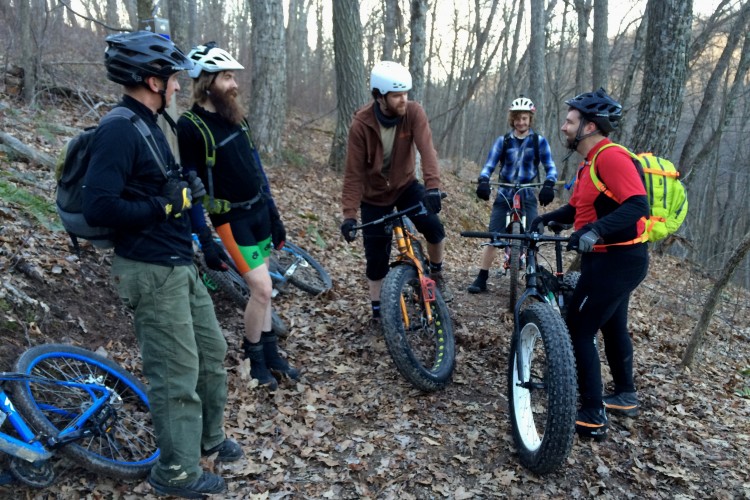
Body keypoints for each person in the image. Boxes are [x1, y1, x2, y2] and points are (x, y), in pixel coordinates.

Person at [83, 31, 242, 498]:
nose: (178, 86)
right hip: (150, 270)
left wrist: (206, 240)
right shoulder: (118, 129)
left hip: (181, 261)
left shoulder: (158, 123)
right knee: (175, 374)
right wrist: (161, 208)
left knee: (210, 355)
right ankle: (175, 472)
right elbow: (99, 208)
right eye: (172, 78)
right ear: (153, 80)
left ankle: (208, 438)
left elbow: (178, 187)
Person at [177, 42, 298, 390]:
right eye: (227, 77)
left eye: (232, 77)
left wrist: (274, 215)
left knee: (266, 288)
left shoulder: (235, 117)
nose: (234, 85)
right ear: (206, 81)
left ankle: (270, 354)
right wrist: (205, 240)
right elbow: (191, 185)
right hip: (230, 220)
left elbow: (256, 167)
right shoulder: (191, 126)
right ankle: (253, 356)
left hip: (258, 211)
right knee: (261, 289)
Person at [530, 88, 650, 440]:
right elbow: (582, 208)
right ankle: (625, 394)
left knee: (578, 329)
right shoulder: (590, 164)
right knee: (612, 326)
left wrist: (595, 231)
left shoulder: (610, 158)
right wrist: (549, 218)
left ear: (589, 125)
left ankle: (591, 413)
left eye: (569, 121)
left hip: (616, 261)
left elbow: (637, 205)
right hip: (612, 260)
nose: (563, 127)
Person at [340, 60, 452, 326]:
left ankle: (436, 275)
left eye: (406, 94)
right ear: (379, 96)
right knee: (376, 255)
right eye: (397, 95)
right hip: (374, 196)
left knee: (434, 229)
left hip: (405, 187)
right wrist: (349, 215)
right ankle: (378, 311)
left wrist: (433, 187)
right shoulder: (361, 124)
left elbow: (427, 150)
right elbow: (353, 173)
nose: (404, 100)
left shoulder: (414, 113)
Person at [467, 96, 558, 294]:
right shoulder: (504, 141)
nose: (521, 122)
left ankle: (532, 277)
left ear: (530, 119)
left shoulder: (538, 141)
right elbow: (490, 164)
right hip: (505, 193)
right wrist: (483, 180)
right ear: (512, 119)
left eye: (524, 118)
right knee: (494, 235)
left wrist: (549, 184)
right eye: (517, 118)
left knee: (534, 236)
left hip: (528, 193)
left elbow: (550, 167)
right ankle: (482, 277)